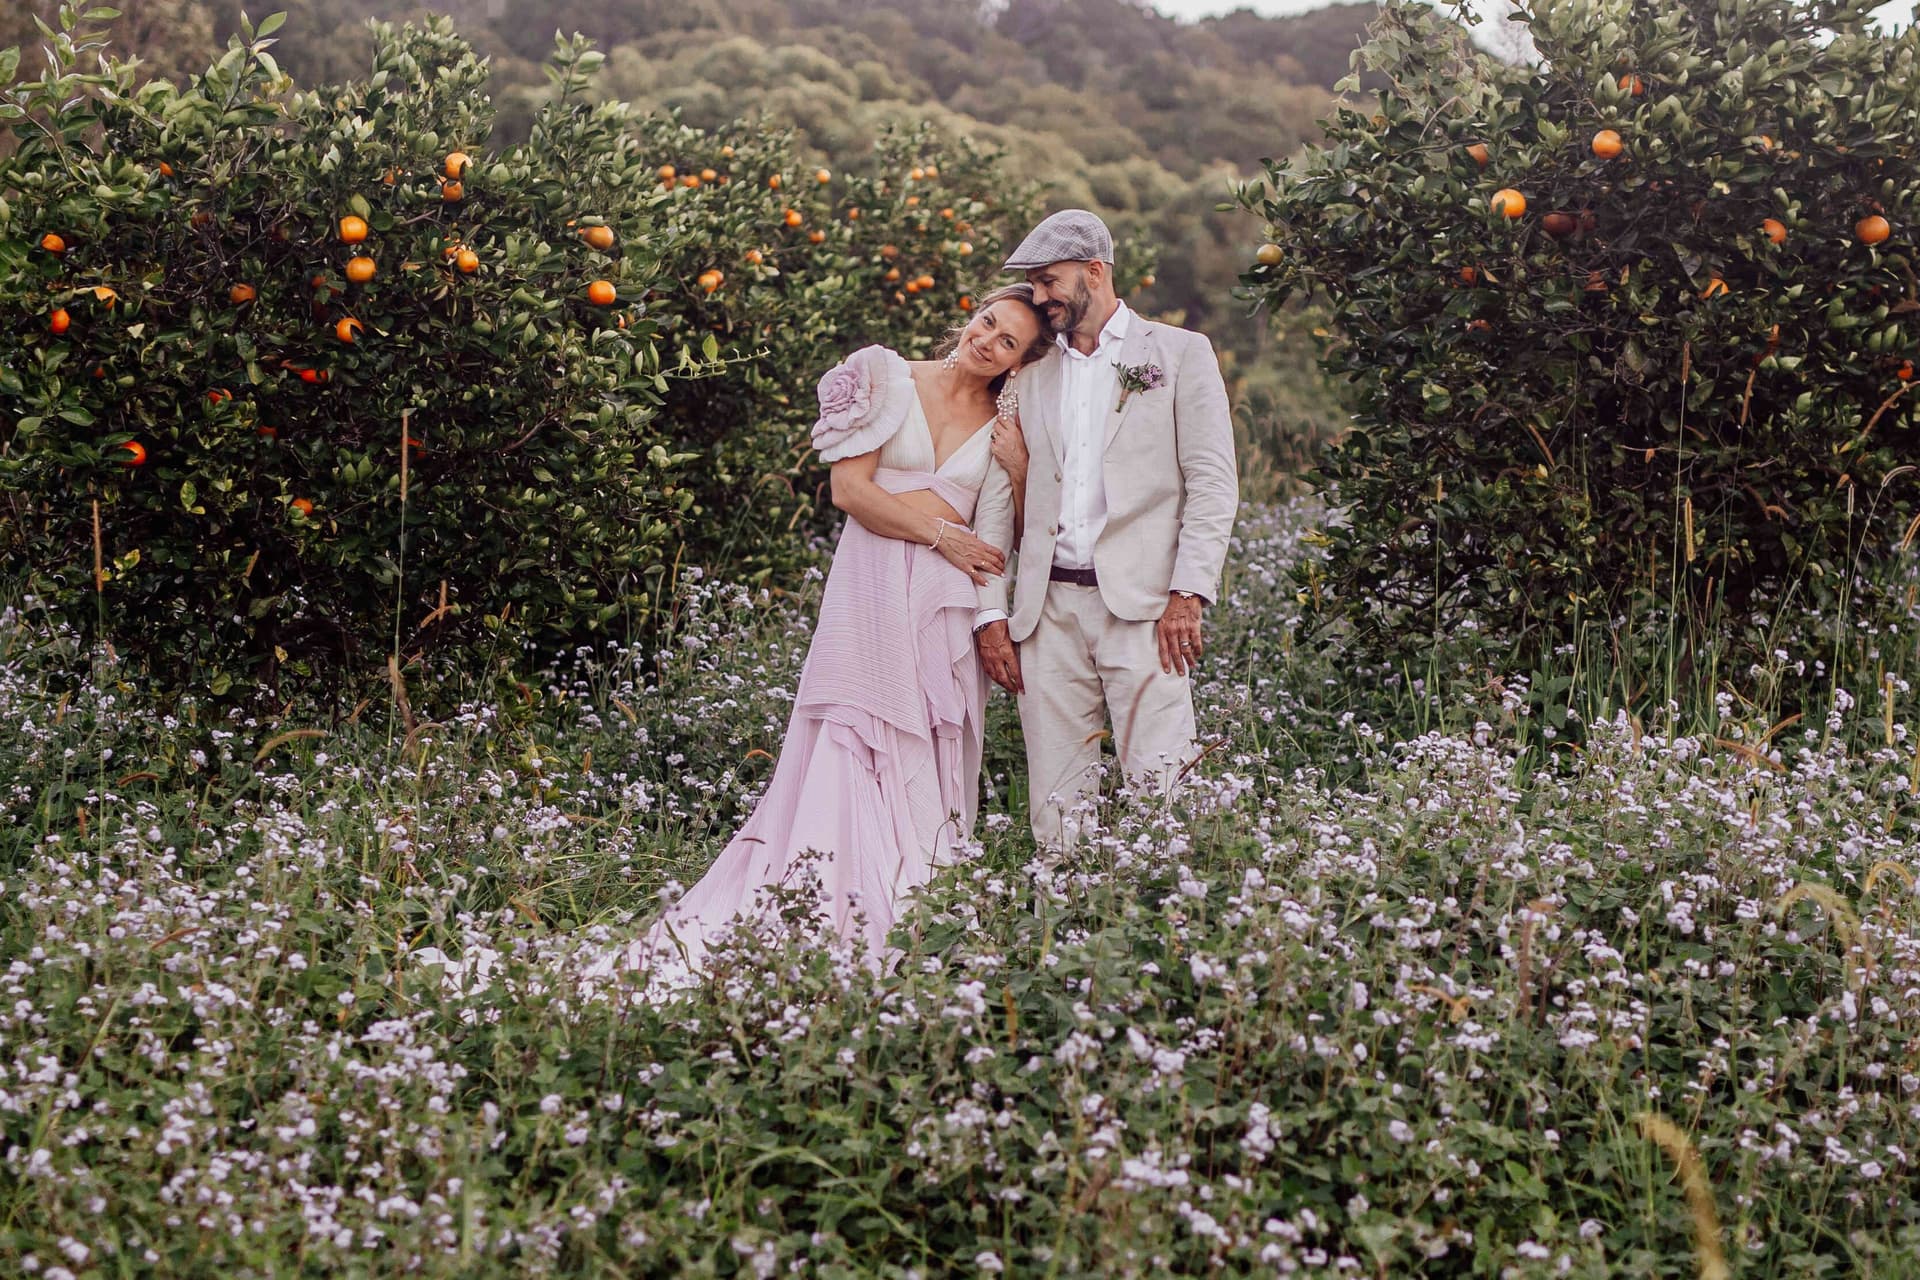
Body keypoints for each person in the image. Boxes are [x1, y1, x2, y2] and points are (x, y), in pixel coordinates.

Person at [598, 285, 1056, 994]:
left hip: (943, 604)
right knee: (852, 728)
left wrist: (1020, 472)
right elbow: (850, 491)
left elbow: (1007, 534)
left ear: (1019, 362)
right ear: (972, 313)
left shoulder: (1006, 424)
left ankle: (914, 901)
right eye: (987, 322)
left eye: (1008, 343)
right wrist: (941, 534)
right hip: (870, 581)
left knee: (927, 743)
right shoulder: (885, 377)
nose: (986, 342)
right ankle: (828, 900)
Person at [972, 210, 1240, 847]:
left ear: (1094, 271)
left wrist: (1187, 594)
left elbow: (1212, 483)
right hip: (1044, 615)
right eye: (1034, 284)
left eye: (1049, 281)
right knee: (1056, 807)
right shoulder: (1028, 370)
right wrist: (990, 613)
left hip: (1146, 611)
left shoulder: (1180, 354)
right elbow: (997, 499)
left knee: (1163, 789)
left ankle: (1168, 904)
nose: (1040, 297)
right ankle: (1060, 907)